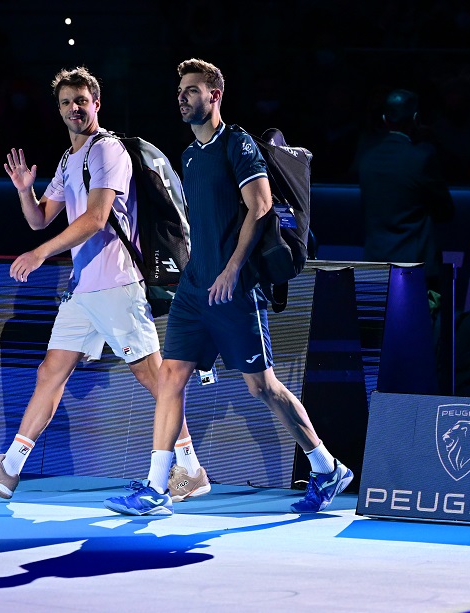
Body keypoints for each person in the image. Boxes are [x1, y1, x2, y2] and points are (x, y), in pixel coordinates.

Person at [104, 58, 352, 517]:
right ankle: (158, 488)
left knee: (262, 387)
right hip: (196, 290)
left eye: (192, 90)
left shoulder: (237, 144)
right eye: (180, 90)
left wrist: (233, 269)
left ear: (214, 96)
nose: (183, 96)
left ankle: (326, 465)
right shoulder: (189, 155)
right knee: (171, 377)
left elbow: (260, 207)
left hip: (235, 290)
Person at [0, 67, 209, 502]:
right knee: (49, 373)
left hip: (115, 286)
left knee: (155, 379)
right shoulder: (68, 160)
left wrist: (39, 254)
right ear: (59, 109)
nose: (75, 108)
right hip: (82, 290)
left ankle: (188, 470)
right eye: (67, 102)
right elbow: (39, 217)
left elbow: (94, 219)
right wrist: (23, 190)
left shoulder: (107, 150)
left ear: (96, 105)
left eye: (82, 101)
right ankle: (8, 469)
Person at [358, 89, 455, 293]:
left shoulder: (366, 157)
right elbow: (446, 210)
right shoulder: (422, 158)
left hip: (375, 264)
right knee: (418, 324)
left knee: (379, 324)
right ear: (416, 119)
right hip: (415, 265)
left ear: (385, 119)